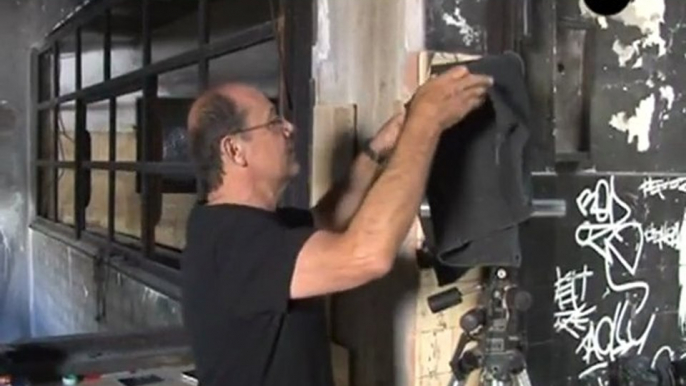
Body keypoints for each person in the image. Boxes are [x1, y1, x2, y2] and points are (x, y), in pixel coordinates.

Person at [181, 65, 493, 386]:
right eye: (274, 121)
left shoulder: (239, 225)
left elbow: (328, 219)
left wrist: (376, 150)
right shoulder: (234, 244)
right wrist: (425, 121)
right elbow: (366, 256)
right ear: (235, 150)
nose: (289, 127)